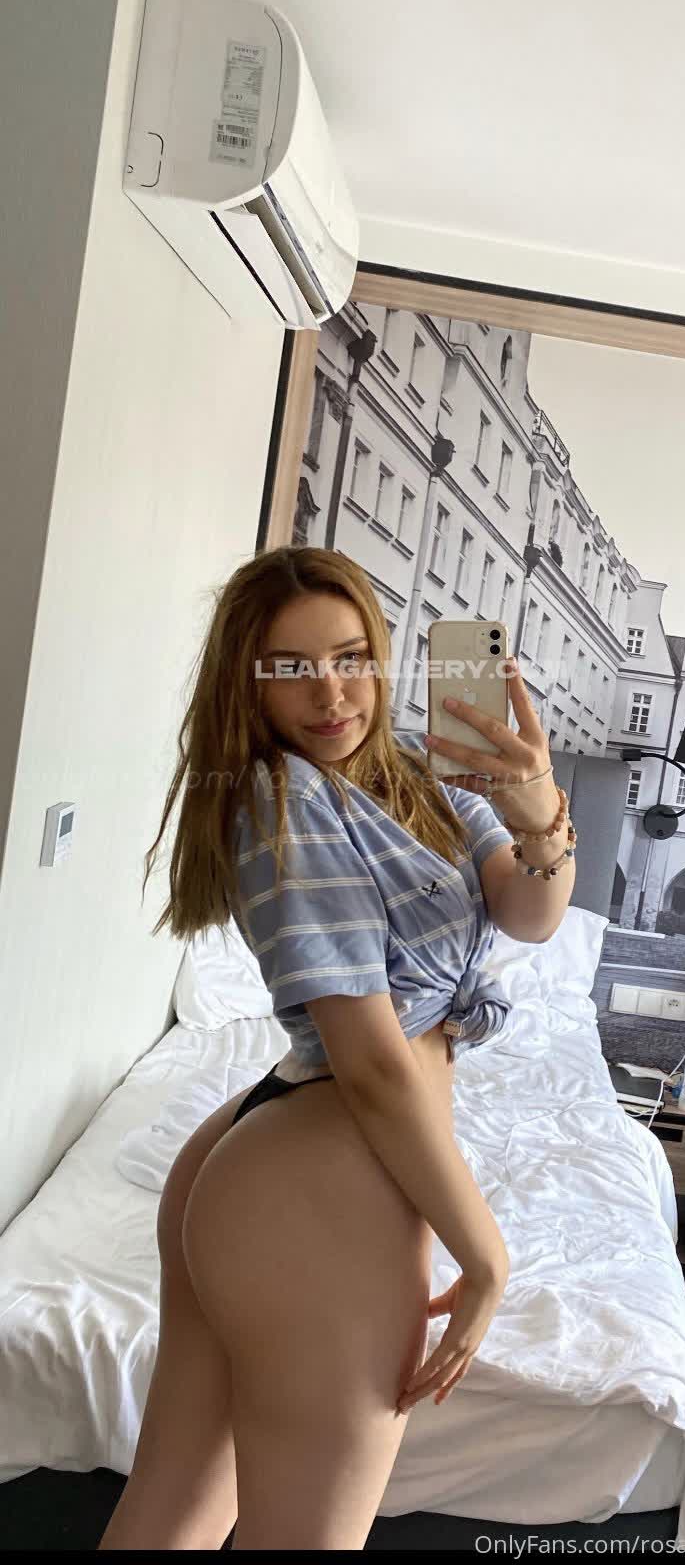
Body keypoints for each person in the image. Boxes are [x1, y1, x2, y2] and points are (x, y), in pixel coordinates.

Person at [98, 545, 576, 1552]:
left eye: (351, 657)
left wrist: (542, 815)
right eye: (291, 667)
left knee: (169, 1525)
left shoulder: (425, 784)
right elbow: (372, 1062)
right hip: (324, 1179)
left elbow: (530, 913)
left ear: (382, 658)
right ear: (247, 681)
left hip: (277, 1161)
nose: (329, 692)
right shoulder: (286, 798)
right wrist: (484, 1253)